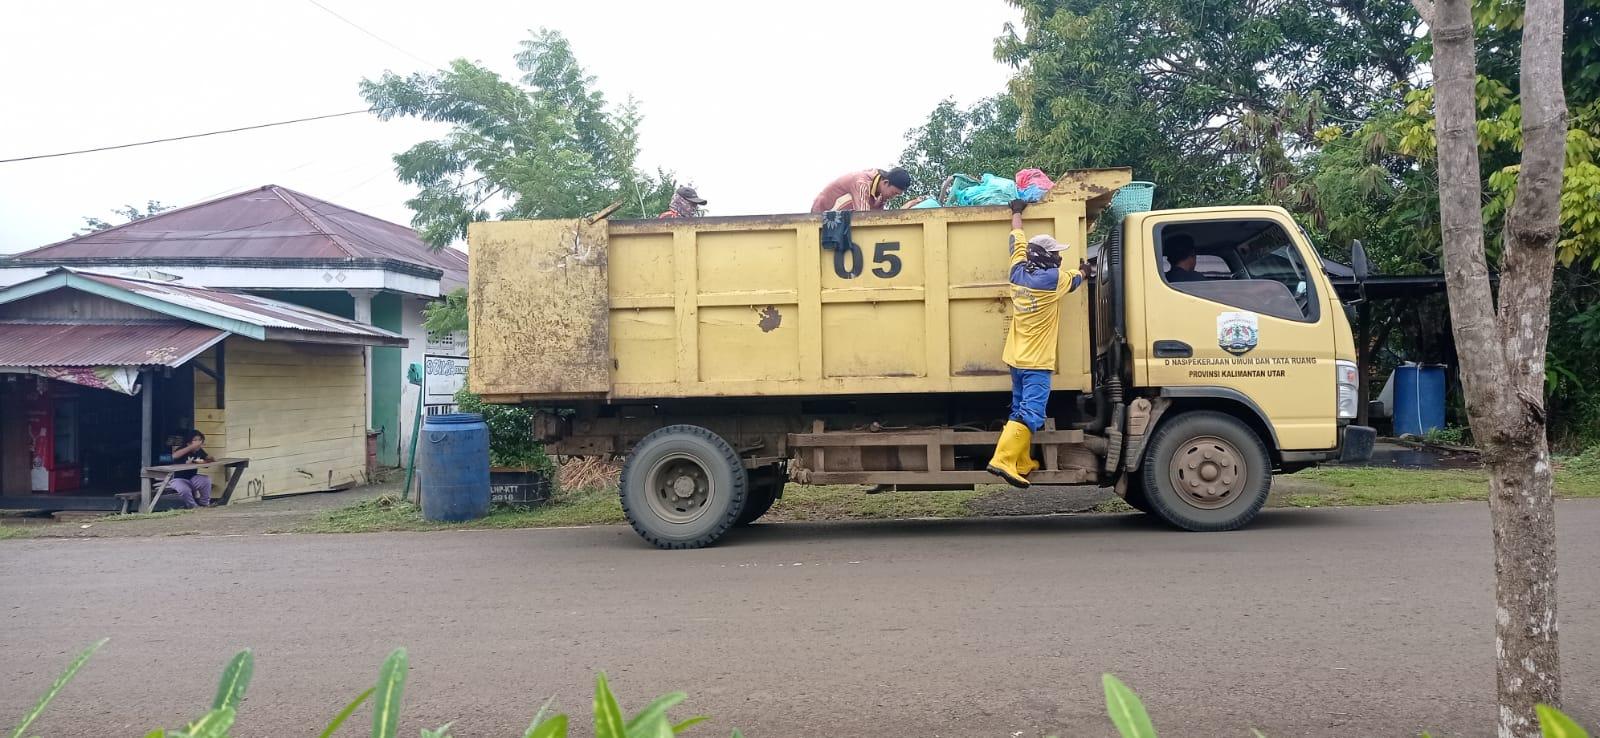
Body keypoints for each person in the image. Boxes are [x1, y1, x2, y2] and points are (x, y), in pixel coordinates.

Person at [986, 199, 1086, 488]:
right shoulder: (1054, 280)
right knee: (1032, 412)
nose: (1058, 258)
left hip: (1016, 358)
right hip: (1036, 362)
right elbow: (1076, 278)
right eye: (1055, 254)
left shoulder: (1017, 272)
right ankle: (1002, 460)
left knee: (1019, 408)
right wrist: (1084, 271)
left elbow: (1017, 241)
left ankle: (1021, 461)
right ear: (1046, 257)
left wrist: (1016, 213)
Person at [809, 167, 912, 213]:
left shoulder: (879, 193)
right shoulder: (862, 183)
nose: (893, 197)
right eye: (893, 193)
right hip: (821, 216)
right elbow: (863, 218)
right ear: (885, 182)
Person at [167, 430, 214, 508]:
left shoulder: (199, 451)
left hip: (192, 477)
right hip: (178, 479)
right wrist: (192, 447)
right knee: (184, 490)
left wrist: (210, 459)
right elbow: (174, 456)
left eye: (199, 440)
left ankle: (205, 503)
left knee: (206, 480)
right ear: (188, 442)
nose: (198, 442)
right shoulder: (182, 449)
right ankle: (193, 506)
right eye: (195, 440)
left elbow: (206, 462)